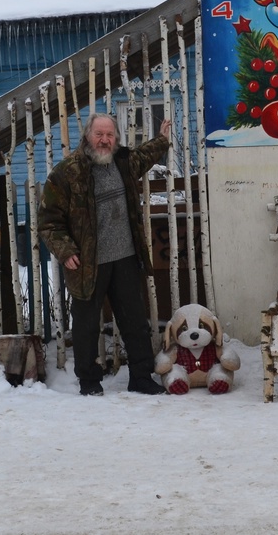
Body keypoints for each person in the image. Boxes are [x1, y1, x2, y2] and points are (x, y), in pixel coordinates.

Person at [39, 112, 172, 395]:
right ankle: (89, 382)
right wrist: (65, 251)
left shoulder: (123, 163)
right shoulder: (67, 172)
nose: (104, 140)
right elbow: (49, 221)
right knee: (86, 326)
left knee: (135, 321)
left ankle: (141, 377)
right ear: (88, 136)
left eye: (109, 135)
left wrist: (162, 140)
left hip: (124, 257)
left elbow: (144, 156)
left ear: (116, 138)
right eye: (99, 134)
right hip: (87, 263)